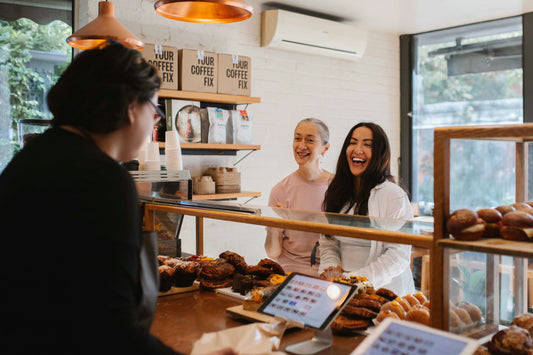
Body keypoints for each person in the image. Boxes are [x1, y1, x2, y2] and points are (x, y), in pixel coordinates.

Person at [0, 42, 235, 355]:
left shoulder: (33, 158)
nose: (155, 124)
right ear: (130, 108)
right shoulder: (102, 179)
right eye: (155, 112)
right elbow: (109, 331)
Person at [318, 122, 415, 296]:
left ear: (380, 154)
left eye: (367, 145)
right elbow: (328, 242)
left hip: (383, 291)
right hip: (340, 288)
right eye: (353, 142)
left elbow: (397, 255)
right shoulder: (336, 191)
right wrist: (331, 272)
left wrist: (356, 280)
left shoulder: (393, 195)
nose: (357, 149)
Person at [265, 118, 334, 276]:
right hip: (289, 271)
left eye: (310, 140)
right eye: (297, 138)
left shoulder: (337, 188)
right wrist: (276, 227)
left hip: (329, 272)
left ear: (325, 148)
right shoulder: (280, 190)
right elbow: (273, 252)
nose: (302, 146)